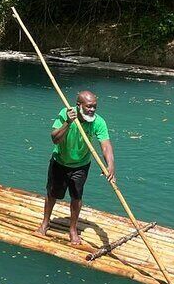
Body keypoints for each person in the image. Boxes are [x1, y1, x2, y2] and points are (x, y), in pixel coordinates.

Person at [36, 90, 116, 245]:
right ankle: (45, 222)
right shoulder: (65, 113)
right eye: (88, 107)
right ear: (79, 105)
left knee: (76, 197)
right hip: (59, 162)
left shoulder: (98, 122)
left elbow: (105, 145)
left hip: (81, 165)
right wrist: (68, 122)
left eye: (94, 107)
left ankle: (72, 229)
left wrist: (110, 165)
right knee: (52, 194)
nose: (92, 110)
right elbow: (55, 139)